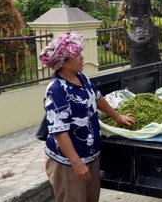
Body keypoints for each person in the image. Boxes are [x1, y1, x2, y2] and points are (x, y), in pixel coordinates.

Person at [39, 31, 135, 202]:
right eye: (77, 55)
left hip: (90, 156)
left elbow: (97, 97)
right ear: (63, 62)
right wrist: (77, 164)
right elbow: (60, 132)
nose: (82, 58)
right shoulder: (57, 90)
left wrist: (117, 117)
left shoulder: (81, 78)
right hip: (68, 164)